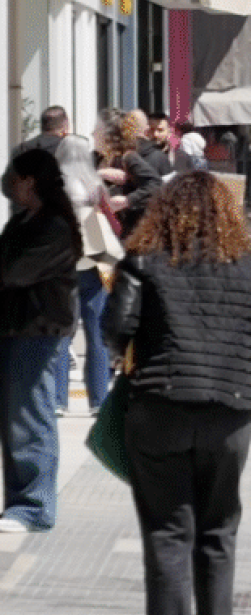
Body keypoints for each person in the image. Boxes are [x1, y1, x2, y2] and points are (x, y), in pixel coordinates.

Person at [102, 172, 251, 615]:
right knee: (219, 529)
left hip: (159, 409)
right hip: (229, 411)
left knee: (167, 532)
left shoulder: (142, 262)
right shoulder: (246, 265)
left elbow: (116, 327)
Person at [0, 149, 82, 533]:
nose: (8, 184)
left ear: (29, 181)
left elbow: (15, 272)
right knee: (15, 420)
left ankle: (34, 507)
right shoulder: (22, 221)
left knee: (31, 418)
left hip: (37, 332)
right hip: (14, 329)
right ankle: (19, 501)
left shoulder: (53, 227)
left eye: (13, 177)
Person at [54, 134, 121, 414]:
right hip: (94, 258)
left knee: (61, 336)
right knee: (96, 335)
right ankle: (98, 400)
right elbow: (113, 227)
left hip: (62, 263)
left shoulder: (52, 186)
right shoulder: (95, 187)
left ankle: (58, 400)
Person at [106, 110, 164, 233]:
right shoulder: (158, 156)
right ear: (146, 129)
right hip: (145, 225)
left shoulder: (125, 156)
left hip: (129, 225)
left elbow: (155, 184)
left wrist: (127, 200)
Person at [2, 105, 70, 200]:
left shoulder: (20, 150)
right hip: (57, 206)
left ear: (42, 125)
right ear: (65, 125)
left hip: (25, 207)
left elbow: (7, 187)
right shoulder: (70, 149)